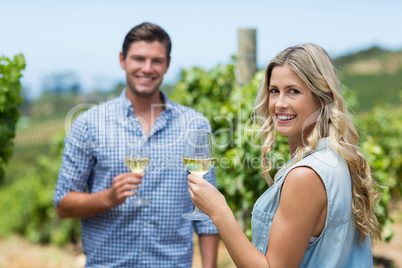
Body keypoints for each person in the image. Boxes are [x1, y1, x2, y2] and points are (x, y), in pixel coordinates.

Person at [187, 43, 381, 267]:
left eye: (293, 91)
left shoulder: (305, 176)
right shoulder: (337, 159)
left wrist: (219, 211)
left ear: (323, 97)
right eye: (274, 91)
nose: (279, 103)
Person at [54, 22, 219, 267]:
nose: (147, 68)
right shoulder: (89, 123)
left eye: (156, 61)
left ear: (168, 64)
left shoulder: (194, 125)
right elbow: (63, 204)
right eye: (138, 59)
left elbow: (207, 214)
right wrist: (108, 198)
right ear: (123, 59)